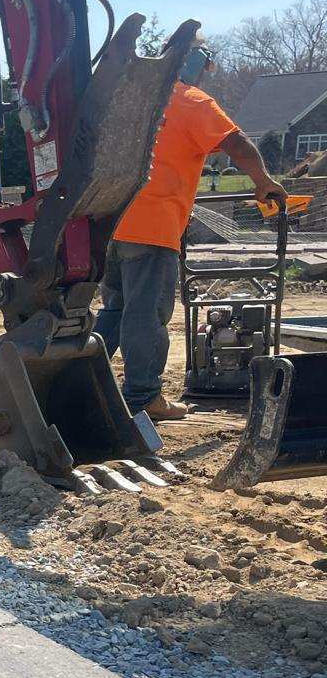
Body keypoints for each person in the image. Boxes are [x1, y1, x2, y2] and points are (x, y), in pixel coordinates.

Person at [95, 41, 287, 422]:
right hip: (153, 226)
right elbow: (236, 143)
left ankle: (82, 379)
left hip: (114, 223)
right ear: (198, 66)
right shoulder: (193, 101)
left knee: (115, 310)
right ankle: (143, 397)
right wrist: (263, 181)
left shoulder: (137, 99)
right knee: (146, 314)